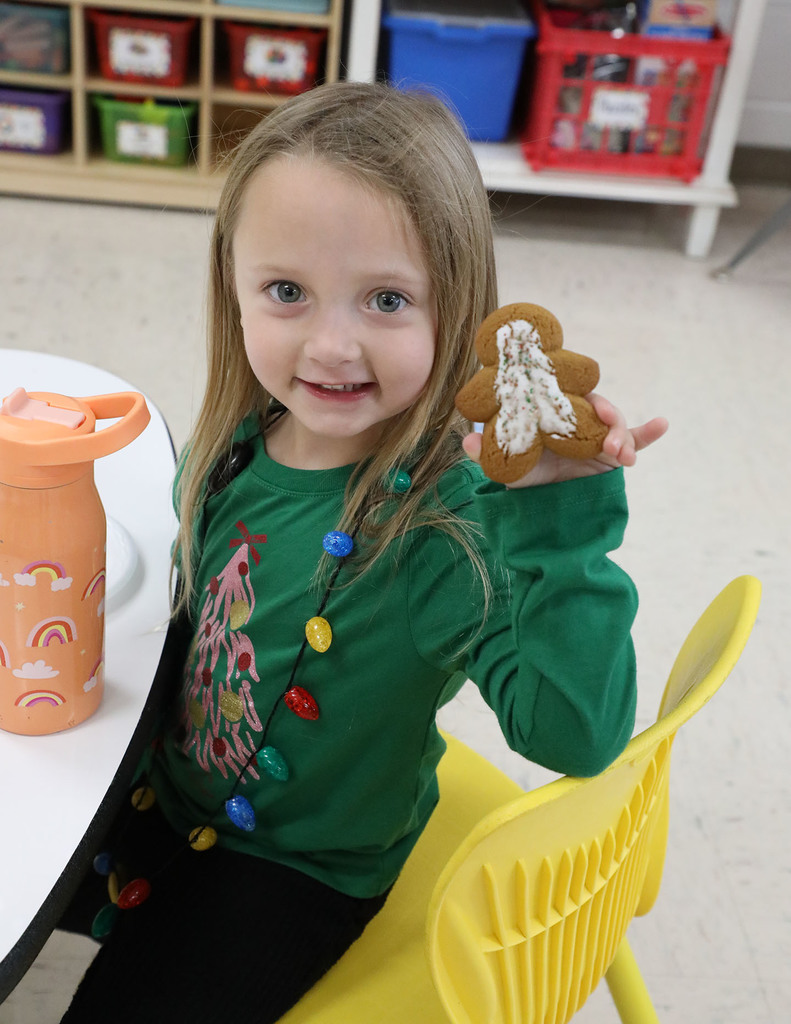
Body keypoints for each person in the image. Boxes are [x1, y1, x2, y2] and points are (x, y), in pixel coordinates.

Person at [59, 81, 667, 1022]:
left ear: (456, 304)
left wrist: (559, 522)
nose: (331, 346)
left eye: (385, 299)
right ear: (234, 286)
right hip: (167, 792)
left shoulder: (444, 533)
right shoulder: (243, 439)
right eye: (286, 292)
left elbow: (577, 735)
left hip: (291, 869)